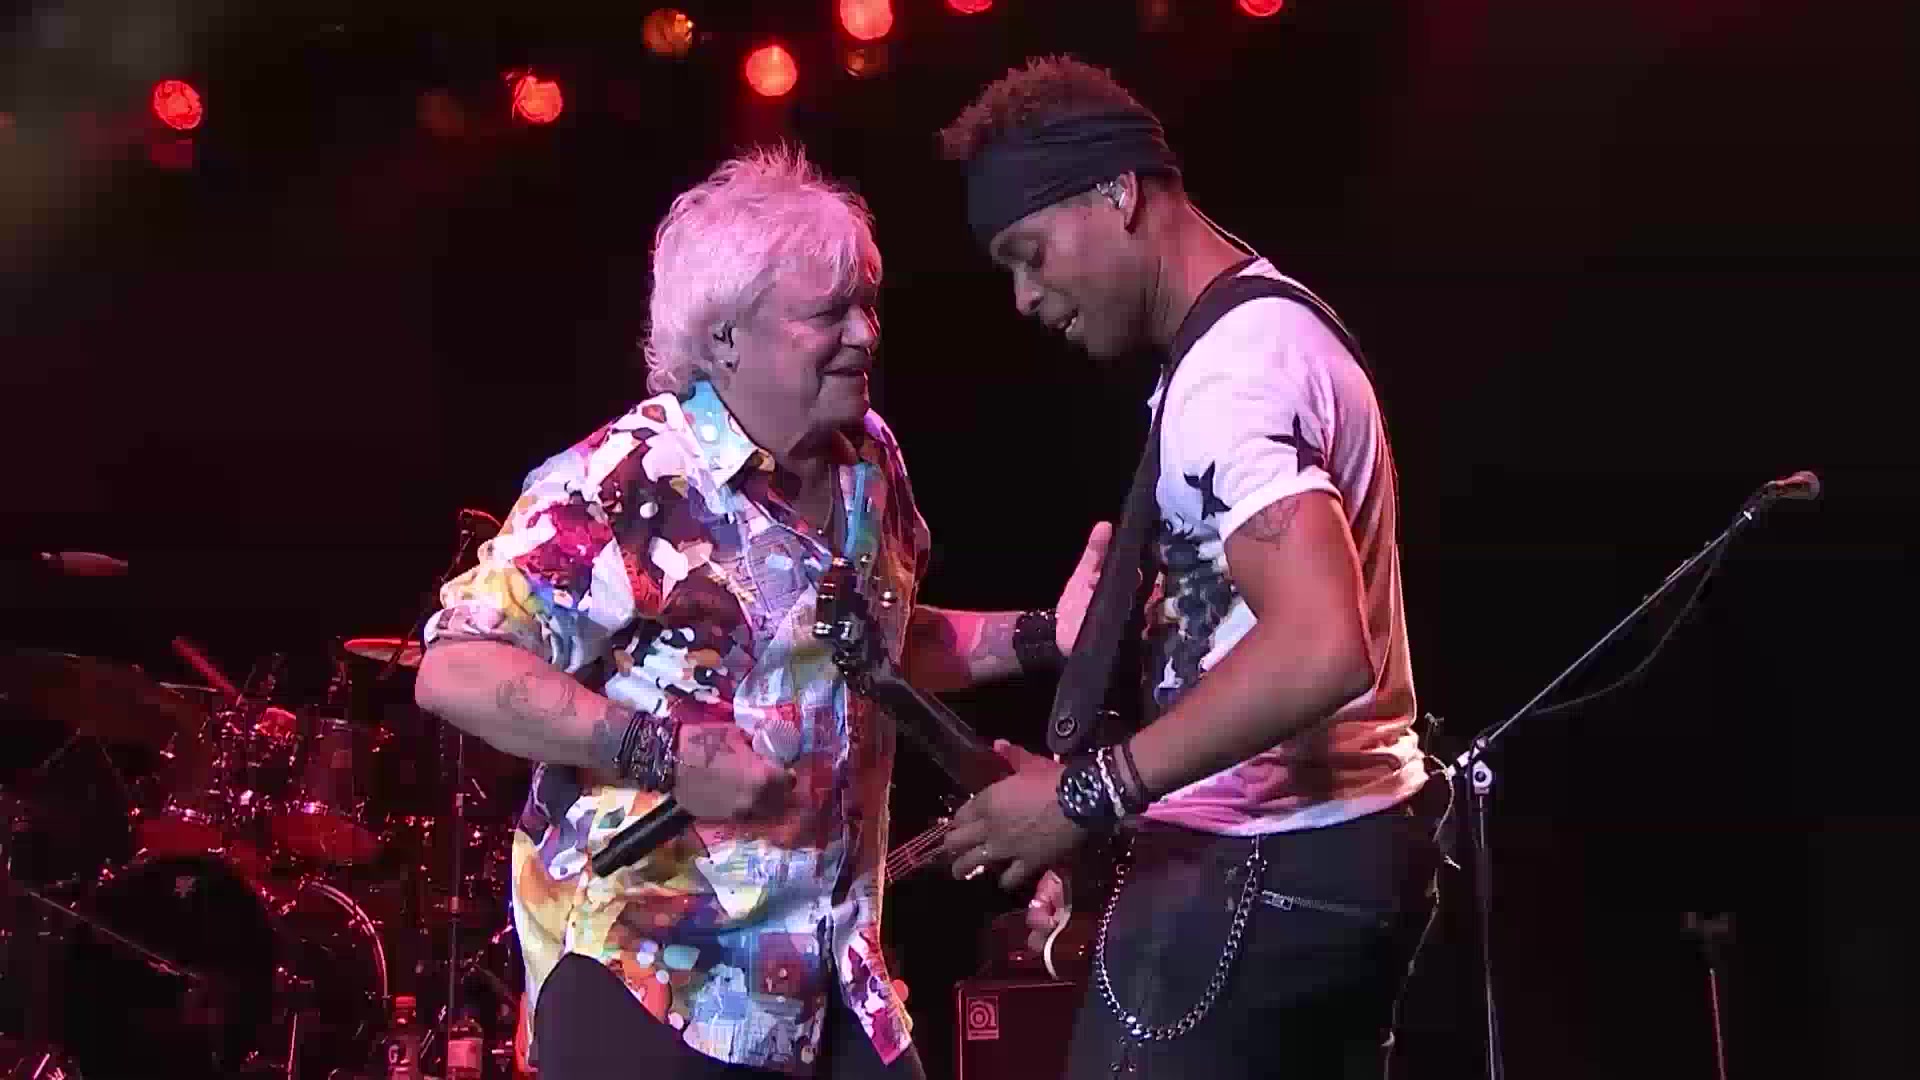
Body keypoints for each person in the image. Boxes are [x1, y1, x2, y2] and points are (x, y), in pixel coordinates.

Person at [413, 145, 1108, 1080]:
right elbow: (456, 667)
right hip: (654, 975)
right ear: (726, 336)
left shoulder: (869, 462)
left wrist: (1044, 635)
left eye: (868, 305)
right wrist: (662, 753)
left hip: (832, 971)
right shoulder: (628, 478)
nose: (864, 334)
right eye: (828, 313)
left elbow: (871, 647)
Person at [934, 57, 1443, 1078]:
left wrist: (1084, 796)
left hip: (1259, 865)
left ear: (1117, 192)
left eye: (1031, 254)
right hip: (1334, 854)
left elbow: (1320, 646)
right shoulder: (1269, 326)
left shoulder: (1230, 379)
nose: (1024, 298)